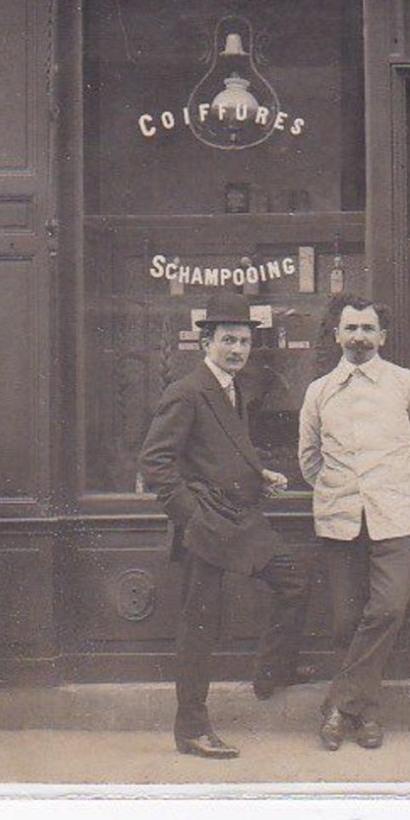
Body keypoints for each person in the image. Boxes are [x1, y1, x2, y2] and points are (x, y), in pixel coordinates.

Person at [139, 291, 312, 759]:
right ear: (205, 342)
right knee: (200, 627)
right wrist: (194, 517)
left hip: (240, 521)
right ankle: (191, 728)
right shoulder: (187, 390)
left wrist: (260, 474)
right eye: (227, 340)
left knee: (293, 580)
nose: (237, 350)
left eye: (243, 341)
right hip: (207, 527)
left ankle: (269, 672)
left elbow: (223, 449)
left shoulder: (232, 387)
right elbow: (156, 464)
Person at [298, 295, 410, 751]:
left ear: (382, 337)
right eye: (351, 328)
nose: (359, 337)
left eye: (368, 329)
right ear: (337, 335)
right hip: (340, 519)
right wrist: (341, 489)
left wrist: (399, 483)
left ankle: (336, 705)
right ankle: (366, 715)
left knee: (387, 610)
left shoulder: (406, 384)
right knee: (346, 622)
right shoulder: (319, 391)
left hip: (396, 518)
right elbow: (309, 459)